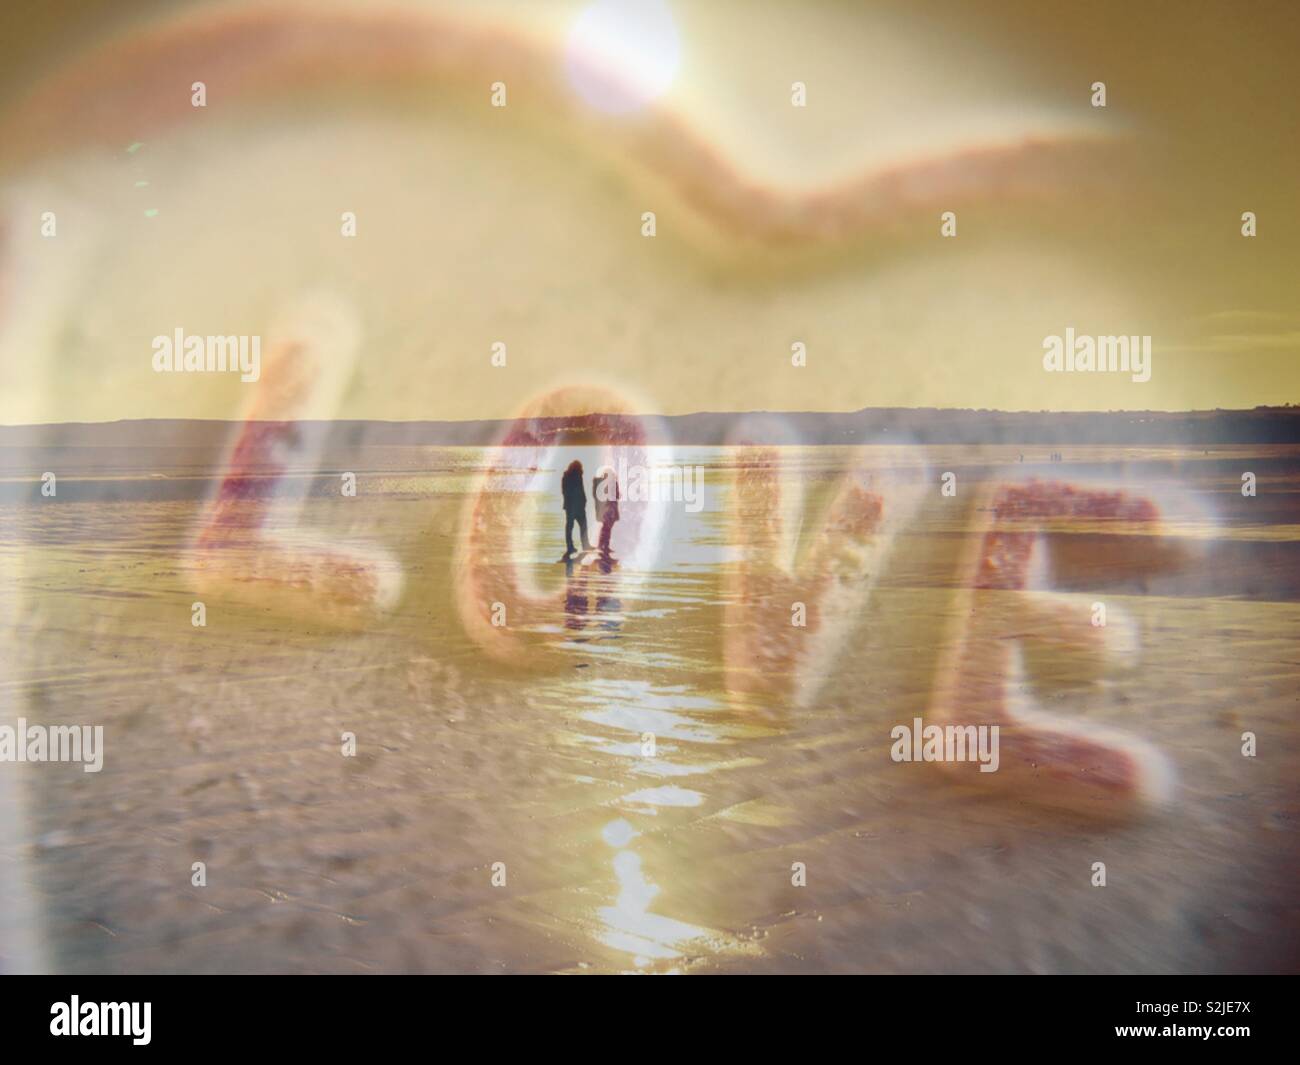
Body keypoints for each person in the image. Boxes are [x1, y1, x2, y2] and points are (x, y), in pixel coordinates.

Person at [561, 460, 591, 556]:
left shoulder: (566, 476)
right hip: (577, 506)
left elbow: (565, 491)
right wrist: (583, 501)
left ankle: (570, 547)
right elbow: (580, 490)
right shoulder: (577, 476)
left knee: (570, 527)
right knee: (583, 526)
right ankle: (584, 545)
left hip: (571, 506)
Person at [593, 465, 621, 555]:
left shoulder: (603, 483)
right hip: (609, 509)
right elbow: (616, 495)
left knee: (607, 528)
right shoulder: (609, 482)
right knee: (606, 528)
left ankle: (604, 546)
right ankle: (602, 546)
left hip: (609, 509)